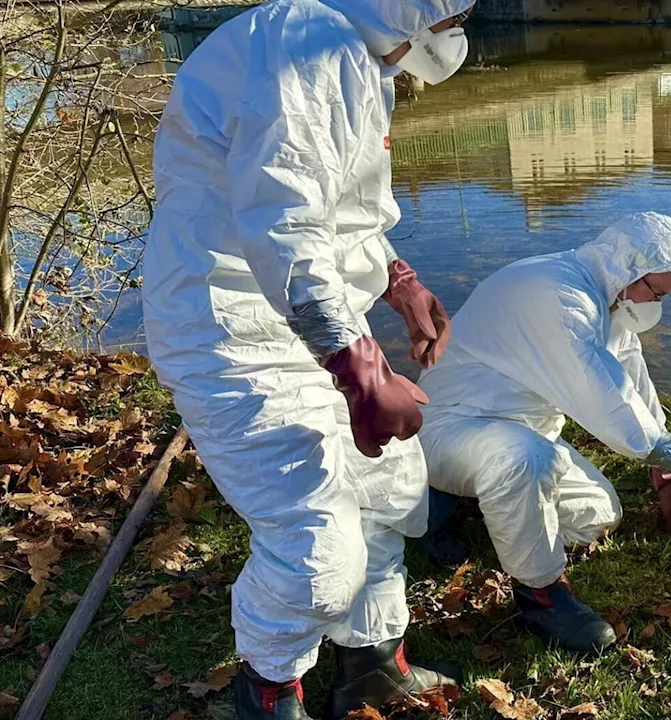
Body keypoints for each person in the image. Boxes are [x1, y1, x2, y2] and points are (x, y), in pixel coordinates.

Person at [141, 0, 473, 717]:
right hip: (229, 334)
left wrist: (399, 283)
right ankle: (266, 689)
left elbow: (336, 216)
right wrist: (361, 371)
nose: (458, 34)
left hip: (307, 328)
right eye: (453, 17)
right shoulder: (309, 45)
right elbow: (284, 224)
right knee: (318, 551)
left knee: (389, 492)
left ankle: (373, 664)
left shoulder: (359, 60)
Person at [414, 212, 671, 653]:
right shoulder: (561, 298)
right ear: (628, 270)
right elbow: (613, 407)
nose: (657, 305)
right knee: (523, 460)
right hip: (453, 426)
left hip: (520, 430)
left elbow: (632, 386)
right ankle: (540, 595)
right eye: (656, 292)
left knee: (598, 516)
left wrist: (670, 475)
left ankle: (478, 500)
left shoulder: (610, 299)